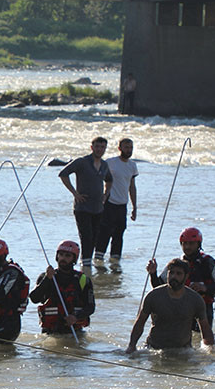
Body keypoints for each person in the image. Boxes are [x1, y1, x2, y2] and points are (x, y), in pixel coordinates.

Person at [126, 258, 215, 353]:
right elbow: (140, 322)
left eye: (178, 274)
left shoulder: (195, 299)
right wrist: (131, 346)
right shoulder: (153, 296)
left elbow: (205, 329)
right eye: (171, 273)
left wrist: (211, 351)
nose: (174, 276)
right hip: (154, 349)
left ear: (186, 276)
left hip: (184, 351)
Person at [147, 227, 215, 326]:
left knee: (203, 338)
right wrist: (153, 273)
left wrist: (204, 288)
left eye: (191, 243)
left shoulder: (208, 263)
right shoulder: (176, 264)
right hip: (180, 307)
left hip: (203, 308)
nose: (187, 247)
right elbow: (158, 287)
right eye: (184, 243)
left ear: (198, 244)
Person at [58, 136, 110, 267]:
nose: (100, 149)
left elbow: (109, 180)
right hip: (82, 207)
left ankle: (88, 262)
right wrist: (75, 193)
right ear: (92, 147)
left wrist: (105, 195)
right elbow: (63, 174)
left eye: (102, 147)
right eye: (97, 146)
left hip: (98, 207)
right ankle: (85, 264)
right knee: (86, 237)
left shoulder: (104, 165)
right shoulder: (82, 162)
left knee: (94, 237)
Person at [29, 240, 94, 336]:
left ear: (74, 259)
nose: (63, 258)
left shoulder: (83, 280)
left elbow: (90, 307)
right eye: (61, 255)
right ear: (57, 256)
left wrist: (75, 317)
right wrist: (47, 279)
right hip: (50, 332)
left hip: (75, 331)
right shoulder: (46, 277)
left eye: (68, 256)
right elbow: (34, 298)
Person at [95, 137, 138, 266]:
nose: (128, 150)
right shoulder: (110, 162)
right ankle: (98, 261)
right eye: (126, 147)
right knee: (104, 232)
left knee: (119, 234)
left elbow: (132, 186)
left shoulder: (132, 165)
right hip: (109, 202)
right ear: (120, 148)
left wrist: (135, 206)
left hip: (122, 204)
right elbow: (98, 178)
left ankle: (115, 263)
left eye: (130, 147)